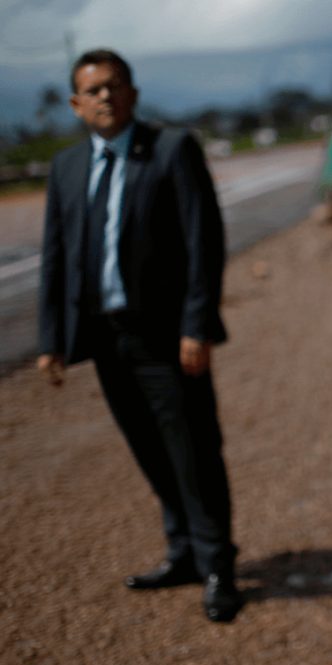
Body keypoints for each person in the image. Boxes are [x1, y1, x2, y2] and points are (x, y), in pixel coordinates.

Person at [37, 48, 242, 623]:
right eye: (93, 89)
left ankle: (217, 566)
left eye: (115, 85)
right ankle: (181, 552)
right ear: (77, 104)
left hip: (168, 340)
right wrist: (51, 339)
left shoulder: (172, 150)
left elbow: (205, 242)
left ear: (132, 93)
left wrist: (196, 326)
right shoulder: (66, 168)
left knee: (194, 451)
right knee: (148, 450)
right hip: (105, 340)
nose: (105, 95)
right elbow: (56, 256)